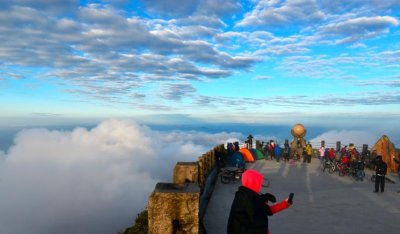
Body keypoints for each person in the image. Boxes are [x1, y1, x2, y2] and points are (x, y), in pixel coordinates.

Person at [227, 169, 292, 234]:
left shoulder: (243, 195)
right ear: (253, 182)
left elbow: (267, 210)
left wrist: (285, 204)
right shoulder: (251, 200)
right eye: (258, 183)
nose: (260, 185)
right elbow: (267, 211)